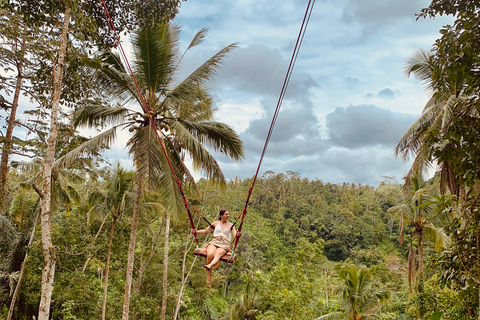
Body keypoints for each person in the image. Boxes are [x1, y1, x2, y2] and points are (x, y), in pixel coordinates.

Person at [196, 209, 240, 285]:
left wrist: (238, 235)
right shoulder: (215, 223)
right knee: (210, 254)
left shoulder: (231, 225)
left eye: (228, 214)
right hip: (214, 242)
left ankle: (209, 265)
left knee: (218, 254)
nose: (228, 216)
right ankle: (209, 275)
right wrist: (196, 231)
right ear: (221, 216)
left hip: (224, 244)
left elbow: (235, 234)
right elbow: (206, 230)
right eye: (226, 214)